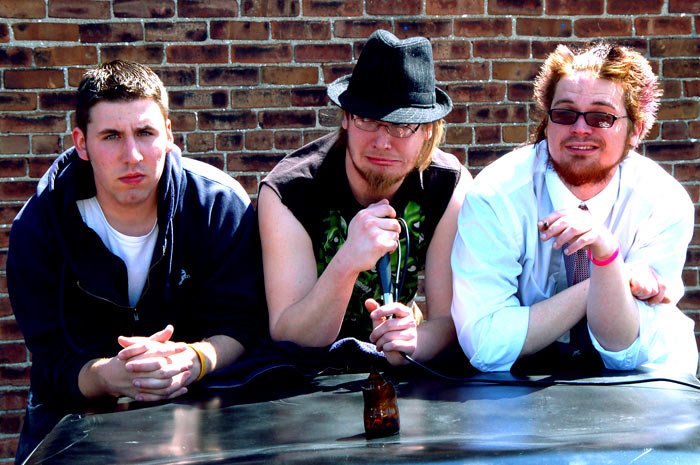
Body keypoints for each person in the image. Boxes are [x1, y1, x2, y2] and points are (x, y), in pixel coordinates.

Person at [8, 60, 267, 462]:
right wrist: (111, 376)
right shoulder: (39, 227)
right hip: (76, 410)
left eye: (145, 133)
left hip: (204, 399)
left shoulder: (218, 206)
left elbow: (243, 325)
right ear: (81, 143)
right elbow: (54, 359)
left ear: (169, 135)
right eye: (111, 136)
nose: (132, 155)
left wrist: (193, 359)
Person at [451, 42, 697, 375]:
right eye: (565, 114)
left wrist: (605, 252)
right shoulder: (496, 196)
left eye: (601, 117)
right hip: (523, 381)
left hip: (644, 378)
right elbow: (485, 344)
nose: (580, 128)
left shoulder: (661, 200)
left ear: (636, 130)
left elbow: (624, 348)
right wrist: (610, 276)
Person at [258, 30, 471, 367]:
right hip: (302, 378)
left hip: (395, 374)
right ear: (345, 118)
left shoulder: (447, 187)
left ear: (428, 130)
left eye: (402, 126)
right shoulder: (290, 191)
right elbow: (289, 336)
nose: (383, 142)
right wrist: (347, 261)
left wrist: (414, 342)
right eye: (368, 120)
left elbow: (450, 323)